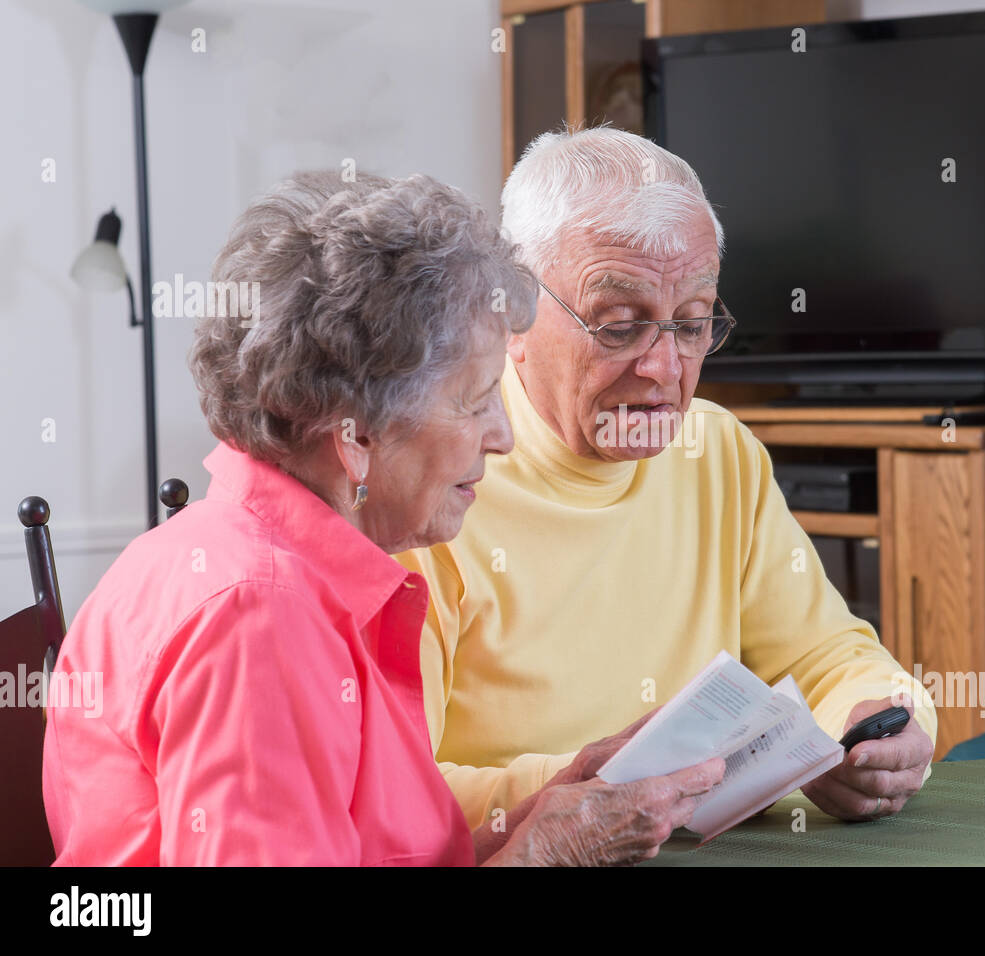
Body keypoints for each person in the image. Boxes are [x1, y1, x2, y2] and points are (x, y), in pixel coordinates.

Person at [42, 170, 723, 866]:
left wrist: (539, 815)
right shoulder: (261, 617)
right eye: (476, 399)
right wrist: (543, 858)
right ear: (357, 434)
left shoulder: (265, 563)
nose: (502, 435)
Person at [395, 128, 938, 831]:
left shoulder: (715, 450)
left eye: (692, 323)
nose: (665, 368)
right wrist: (587, 788)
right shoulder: (436, 479)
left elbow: (831, 655)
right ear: (513, 316)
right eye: (619, 326)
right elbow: (386, 791)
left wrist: (876, 722)